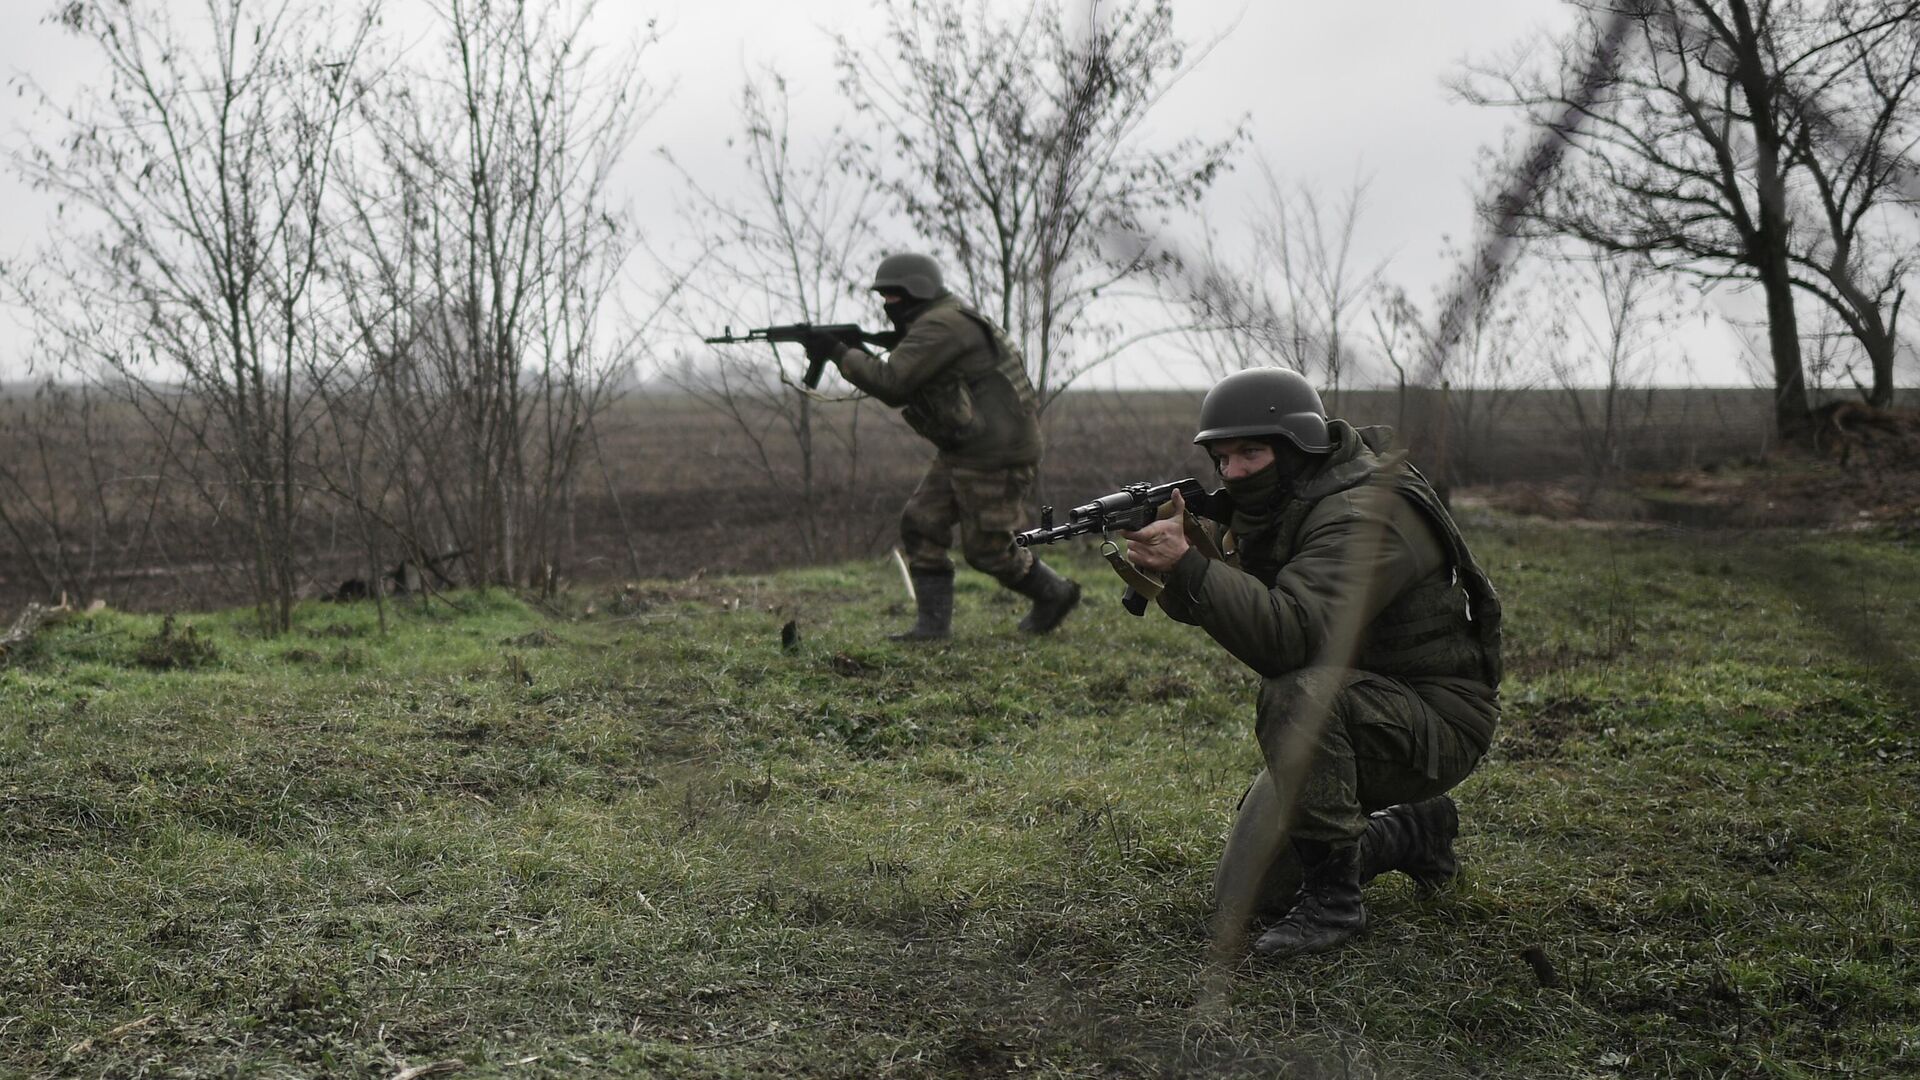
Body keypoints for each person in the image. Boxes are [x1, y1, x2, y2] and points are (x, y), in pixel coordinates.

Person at [1117, 367, 1502, 958]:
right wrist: (1193, 560)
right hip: (1356, 709)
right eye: (1222, 458)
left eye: (1251, 452)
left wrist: (1194, 569)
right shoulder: (1293, 499)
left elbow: (1291, 637)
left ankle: (1334, 901)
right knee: (1246, 896)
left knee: (1297, 689)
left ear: (1299, 446)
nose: (1234, 471)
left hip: (1434, 720)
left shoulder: (1364, 514)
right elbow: (1253, 606)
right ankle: (1410, 831)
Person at [801, 253, 1081, 641]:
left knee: (988, 551)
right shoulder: (941, 318)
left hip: (995, 453)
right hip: (968, 445)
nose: (887, 306)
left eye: (894, 297)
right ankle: (932, 629)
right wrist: (851, 347)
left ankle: (1056, 594)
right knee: (922, 521)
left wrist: (837, 351)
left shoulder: (942, 324)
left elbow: (892, 383)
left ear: (917, 291)